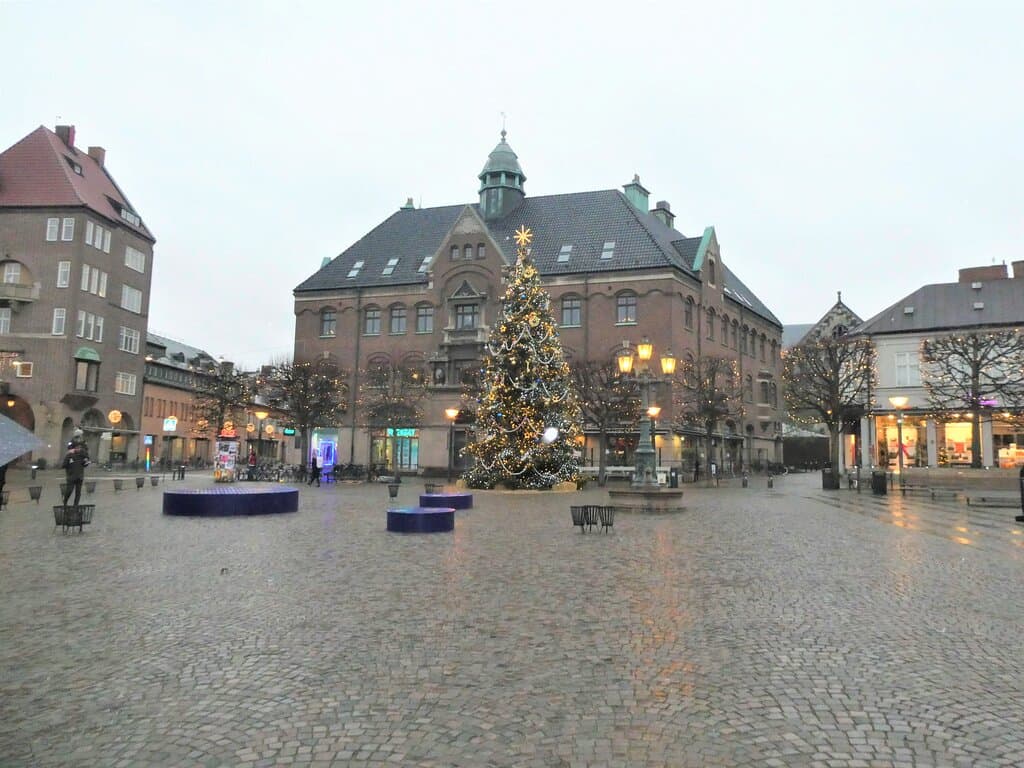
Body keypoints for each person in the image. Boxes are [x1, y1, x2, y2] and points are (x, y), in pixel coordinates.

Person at [61, 430, 90, 512]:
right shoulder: (70, 451)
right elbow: (64, 464)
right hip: (71, 476)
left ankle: (75, 506)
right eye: (77, 448)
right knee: (69, 490)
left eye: (79, 448)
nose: (79, 448)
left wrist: (86, 462)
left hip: (79, 475)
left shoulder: (83, 447)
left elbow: (86, 458)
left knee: (78, 492)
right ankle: (65, 502)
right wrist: (69, 465)